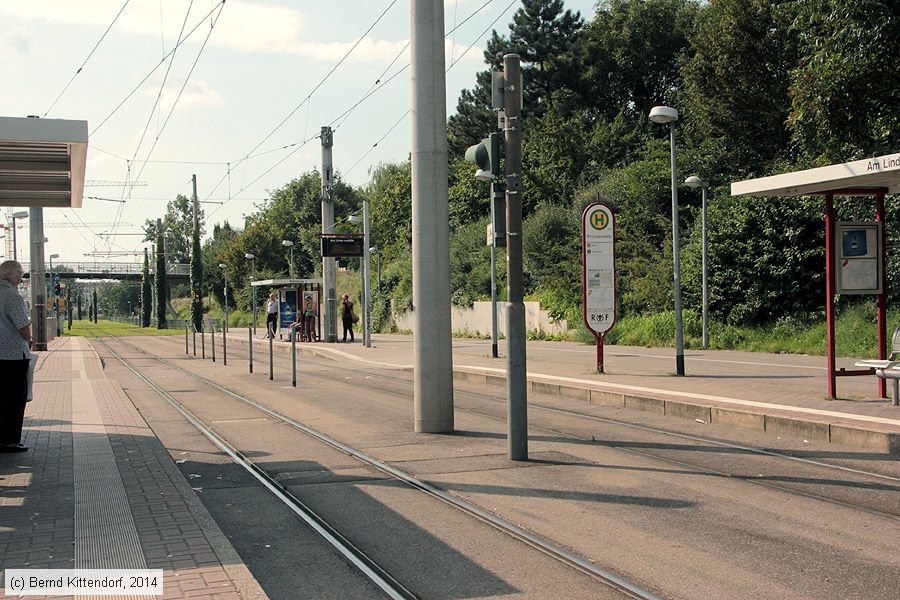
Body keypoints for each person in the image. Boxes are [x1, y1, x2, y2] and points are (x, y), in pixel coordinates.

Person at [0, 260, 32, 453]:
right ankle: (10, 440)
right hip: (13, 356)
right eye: (20, 275)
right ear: (12, 276)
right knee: (15, 399)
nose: (21, 279)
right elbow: (23, 326)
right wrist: (29, 341)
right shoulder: (12, 295)